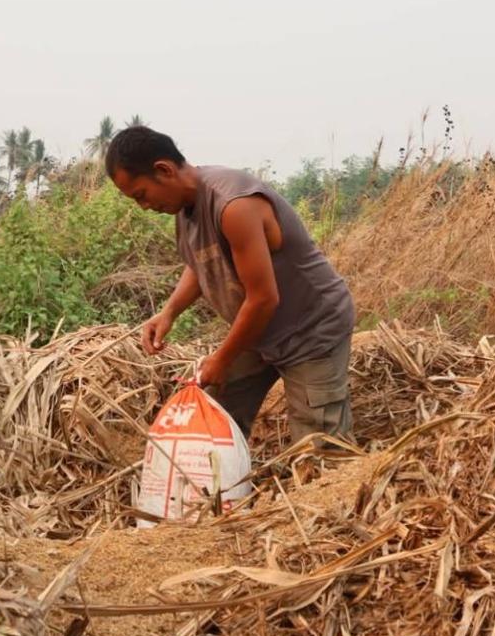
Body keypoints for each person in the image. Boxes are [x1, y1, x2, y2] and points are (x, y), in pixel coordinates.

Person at [106, 126, 355, 443]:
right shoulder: (186, 208)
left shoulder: (234, 205)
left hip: (311, 328)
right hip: (261, 332)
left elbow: (263, 299)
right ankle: (226, 486)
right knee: (214, 410)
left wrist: (222, 359)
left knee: (320, 445)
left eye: (141, 195)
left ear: (164, 170)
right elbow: (202, 263)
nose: (143, 206)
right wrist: (169, 312)